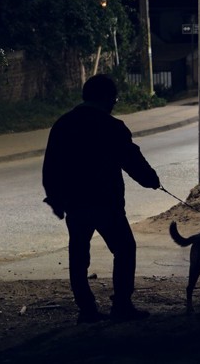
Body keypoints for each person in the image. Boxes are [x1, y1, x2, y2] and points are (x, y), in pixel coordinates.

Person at [42, 74, 161, 324]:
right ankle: (121, 305)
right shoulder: (111, 127)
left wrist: (55, 200)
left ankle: (86, 310)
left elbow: (51, 167)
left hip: (75, 203)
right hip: (106, 203)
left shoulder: (63, 124)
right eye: (114, 99)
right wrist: (151, 180)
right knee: (125, 249)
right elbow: (132, 160)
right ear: (107, 99)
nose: (114, 104)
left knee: (78, 256)